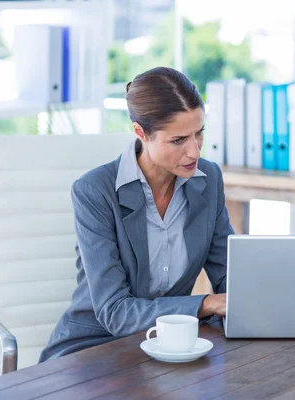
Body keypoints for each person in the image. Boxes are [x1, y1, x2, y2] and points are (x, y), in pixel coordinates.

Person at [40, 67, 232, 361]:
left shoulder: (207, 180)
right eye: (178, 140)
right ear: (141, 133)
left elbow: (229, 275)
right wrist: (205, 304)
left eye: (199, 133)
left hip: (172, 345)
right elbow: (116, 313)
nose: (194, 152)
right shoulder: (95, 192)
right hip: (93, 348)